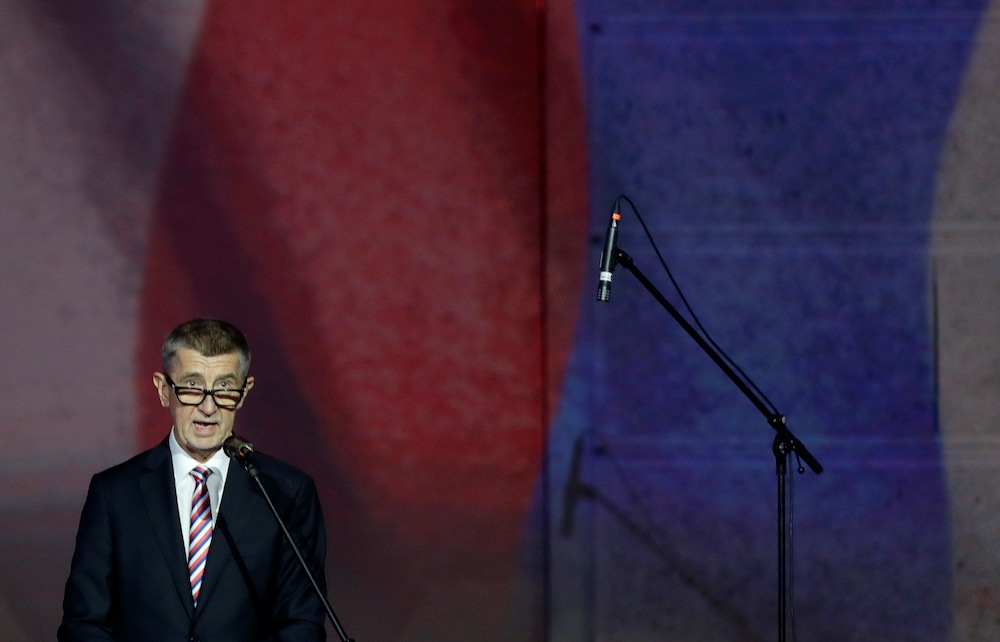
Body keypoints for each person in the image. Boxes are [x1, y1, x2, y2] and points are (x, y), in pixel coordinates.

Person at [58, 318, 328, 641]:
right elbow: (84, 624)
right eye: (192, 386)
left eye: (225, 387)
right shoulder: (114, 494)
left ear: (244, 393)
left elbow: (302, 625)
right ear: (162, 389)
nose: (208, 406)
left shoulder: (285, 493)